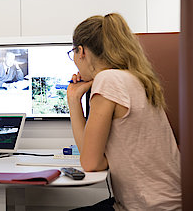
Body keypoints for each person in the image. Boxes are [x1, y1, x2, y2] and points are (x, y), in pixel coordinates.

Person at [66, 13, 181, 210]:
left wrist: (74, 101)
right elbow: (93, 160)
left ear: (82, 51)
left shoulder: (108, 80)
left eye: (73, 53)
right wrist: (74, 100)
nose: (74, 60)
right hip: (168, 202)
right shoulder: (136, 77)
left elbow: (91, 163)